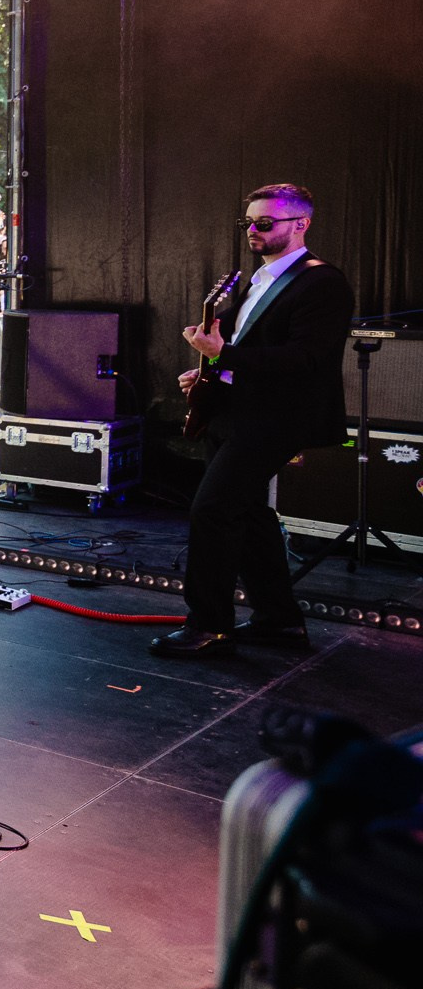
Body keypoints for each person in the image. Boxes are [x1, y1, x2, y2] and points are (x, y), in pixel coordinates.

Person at [155, 183, 354, 659]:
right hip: (237, 410)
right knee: (248, 513)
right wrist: (212, 369)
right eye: (249, 222)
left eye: (265, 223)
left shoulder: (321, 281)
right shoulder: (257, 279)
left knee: (214, 510)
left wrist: (224, 355)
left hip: (277, 417)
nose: (253, 231)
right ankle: (279, 622)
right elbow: (249, 351)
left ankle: (209, 625)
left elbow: (306, 359)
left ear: (300, 224)